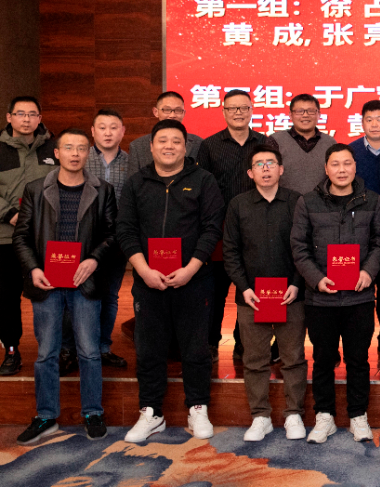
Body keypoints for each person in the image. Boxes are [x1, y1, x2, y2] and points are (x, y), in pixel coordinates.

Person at [116, 119, 225, 443]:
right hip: (148, 281)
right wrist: (143, 270)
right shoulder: (136, 183)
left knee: (196, 349)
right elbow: (125, 229)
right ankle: (151, 412)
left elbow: (212, 228)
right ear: (151, 147)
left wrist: (191, 268)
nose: (169, 146)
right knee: (149, 349)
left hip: (194, 279)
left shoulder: (203, 180)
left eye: (176, 141)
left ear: (185, 146)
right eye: (162, 140)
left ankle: (198, 408)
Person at [12, 128, 116, 445]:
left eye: (81, 148)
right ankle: (46, 415)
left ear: (88, 154)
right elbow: (21, 236)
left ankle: (93, 412)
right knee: (46, 352)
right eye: (68, 148)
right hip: (47, 282)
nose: (75, 153)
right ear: (56, 153)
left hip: (85, 281)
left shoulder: (103, 190)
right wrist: (34, 269)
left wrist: (94, 260)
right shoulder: (35, 189)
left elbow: (112, 234)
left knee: (89, 351)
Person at [291, 143, 380, 444]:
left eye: (347, 163)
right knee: (322, 359)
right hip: (321, 298)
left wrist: (368, 272)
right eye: (335, 164)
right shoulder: (308, 202)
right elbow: (299, 247)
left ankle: (358, 415)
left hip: (359, 297)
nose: (342, 170)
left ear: (355, 167)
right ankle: (324, 416)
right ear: (326, 168)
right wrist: (316, 279)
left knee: (358, 359)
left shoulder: (372, 200)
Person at [222, 144, 307, 442]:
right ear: (250, 173)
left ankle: (294, 414)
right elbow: (230, 251)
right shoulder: (238, 205)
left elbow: (305, 247)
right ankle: (260, 416)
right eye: (259, 164)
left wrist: (297, 283)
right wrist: (243, 288)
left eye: (271, 163)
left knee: (293, 357)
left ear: (281, 169)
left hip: (291, 295)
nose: (266, 168)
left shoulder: (297, 202)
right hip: (252, 297)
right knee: (255, 359)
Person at [198, 89, 267, 363]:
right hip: (219, 229)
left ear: (251, 110)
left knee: (248, 288)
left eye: (243, 107)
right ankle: (210, 342)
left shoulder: (264, 143)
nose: (238, 112)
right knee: (214, 290)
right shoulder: (209, 145)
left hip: (255, 229)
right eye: (232, 108)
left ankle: (243, 343)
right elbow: (203, 189)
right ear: (224, 111)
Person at [1, 96, 57, 376]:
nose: (26, 119)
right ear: (9, 117)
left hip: (44, 238)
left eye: (32, 114)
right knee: (6, 297)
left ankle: (54, 350)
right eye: (20, 113)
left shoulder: (54, 147)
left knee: (48, 294)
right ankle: (11, 350)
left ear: (39, 118)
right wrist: (9, 213)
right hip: (5, 237)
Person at [82, 109, 129, 369]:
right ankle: (74, 348)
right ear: (92, 131)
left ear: (123, 131)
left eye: (114, 127)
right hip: (83, 240)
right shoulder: (80, 158)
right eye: (102, 127)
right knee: (79, 294)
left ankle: (102, 348)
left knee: (110, 296)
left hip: (116, 241)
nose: (108, 133)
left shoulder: (132, 162)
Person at [348, 99, 380, 365]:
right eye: (369, 119)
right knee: (361, 285)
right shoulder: (350, 152)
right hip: (359, 230)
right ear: (362, 122)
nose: (374, 124)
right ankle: (358, 342)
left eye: (379, 119)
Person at [267, 93, 338, 195]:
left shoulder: (330, 143)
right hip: (284, 202)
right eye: (299, 111)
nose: (305, 115)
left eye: (311, 111)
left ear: (319, 114)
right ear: (290, 115)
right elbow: (267, 174)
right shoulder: (275, 140)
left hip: (321, 203)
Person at [126, 92, 203, 176]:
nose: (172, 115)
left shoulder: (199, 143)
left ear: (183, 113)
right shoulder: (137, 146)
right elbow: (133, 180)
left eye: (178, 110)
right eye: (167, 110)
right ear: (156, 112)